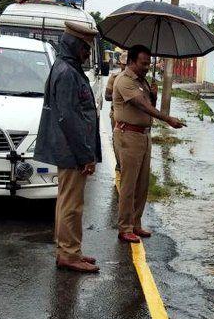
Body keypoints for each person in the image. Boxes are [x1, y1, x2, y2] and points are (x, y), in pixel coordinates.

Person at [34, 18, 102, 274]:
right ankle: (68, 254)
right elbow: (69, 118)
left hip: (71, 151)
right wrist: (86, 155)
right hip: (72, 152)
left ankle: (71, 249)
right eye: (84, 48)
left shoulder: (67, 69)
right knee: (71, 205)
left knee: (68, 202)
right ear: (73, 45)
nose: (86, 54)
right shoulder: (66, 73)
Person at [112, 44, 183, 244]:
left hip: (144, 135)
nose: (146, 67)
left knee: (142, 183)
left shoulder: (141, 81)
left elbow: (148, 104)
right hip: (128, 135)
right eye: (143, 63)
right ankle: (125, 227)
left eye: (148, 63)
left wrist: (153, 94)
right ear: (132, 61)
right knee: (129, 184)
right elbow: (142, 106)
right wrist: (168, 119)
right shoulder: (124, 81)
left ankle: (135, 223)